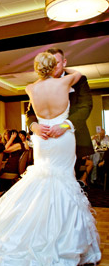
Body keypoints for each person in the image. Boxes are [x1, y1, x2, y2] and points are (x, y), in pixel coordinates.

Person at [0, 52, 101, 265]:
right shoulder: (66, 81)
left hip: (44, 139)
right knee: (62, 179)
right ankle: (61, 236)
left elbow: (83, 107)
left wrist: (50, 124)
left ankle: (33, 228)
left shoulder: (30, 88)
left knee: (42, 179)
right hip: (60, 139)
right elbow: (34, 111)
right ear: (54, 66)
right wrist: (37, 123)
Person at [26, 47, 94, 187]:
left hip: (71, 138)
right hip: (43, 137)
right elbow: (30, 113)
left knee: (68, 181)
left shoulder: (78, 81)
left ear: (64, 62)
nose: (54, 66)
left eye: (56, 62)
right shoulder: (64, 81)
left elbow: (85, 107)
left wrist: (64, 126)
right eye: (50, 63)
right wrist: (34, 126)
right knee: (43, 181)